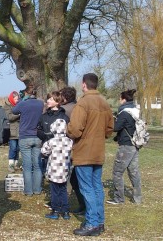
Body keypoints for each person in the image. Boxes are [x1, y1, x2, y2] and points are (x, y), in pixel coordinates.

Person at [67, 73, 114, 236]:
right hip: (98, 151)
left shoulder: (83, 103)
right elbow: (109, 130)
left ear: (83, 84)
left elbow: (75, 129)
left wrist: (67, 130)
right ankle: (99, 222)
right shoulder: (105, 103)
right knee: (97, 188)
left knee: (87, 188)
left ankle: (92, 223)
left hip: (84, 152)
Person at [107, 89, 142, 205]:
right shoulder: (135, 111)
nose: (119, 101)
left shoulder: (124, 113)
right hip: (134, 144)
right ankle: (138, 198)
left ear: (124, 100)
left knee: (117, 172)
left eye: (120, 98)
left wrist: (112, 119)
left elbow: (115, 127)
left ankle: (119, 198)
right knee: (134, 172)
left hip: (126, 146)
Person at [12, 84, 44, 196]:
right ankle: (37, 189)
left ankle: (28, 191)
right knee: (37, 164)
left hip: (25, 136)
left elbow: (14, 110)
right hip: (38, 136)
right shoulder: (41, 104)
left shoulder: (23, 103)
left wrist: (21, 100)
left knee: (27, 165)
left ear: (26, 93)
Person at [60, 86, 85, 215]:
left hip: (69, 144)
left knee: (71, 176)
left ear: (64, 97)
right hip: (80, 146)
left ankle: (82, 204)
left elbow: (71, 129)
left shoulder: (65, 110)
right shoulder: (78, 107)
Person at [41, 119, 73, 220]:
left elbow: (44, 151)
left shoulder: (51, 141)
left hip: (54, 171)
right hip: (64, 171)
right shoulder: (69, 141)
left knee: (54, 191)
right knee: (63, 190)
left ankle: (55, 210)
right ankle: (66, 211)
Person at [37, 91, 69, 176]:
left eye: (51, 99)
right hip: (47, 149)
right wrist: (43, 135)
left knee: (61, 174)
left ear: (57, 101)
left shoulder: (64, 117)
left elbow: (68, 133)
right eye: (48, 99)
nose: (48, 101)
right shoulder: (43, 116)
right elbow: (38, 129)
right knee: (49, 172)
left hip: (61, 151)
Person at [4, 91, 21, 173]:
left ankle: (16, 164)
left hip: (20, 131)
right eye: (16, 99)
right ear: (12, 98)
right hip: (12, 132)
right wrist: (19, 115)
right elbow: (9, 117)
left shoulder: (20, 105)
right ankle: (10, 165)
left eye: (18, 99)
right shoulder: (7, 107)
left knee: (18, 148)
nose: (17, 100)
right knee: (13, 148)